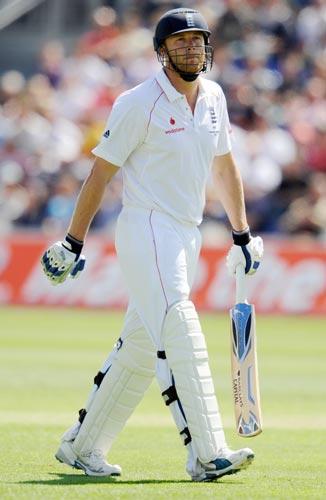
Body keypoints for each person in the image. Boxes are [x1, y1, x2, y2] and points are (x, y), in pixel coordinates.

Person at [41, 8, 263, 482]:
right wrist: (72, 242)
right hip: (146, 228)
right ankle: (206, 452)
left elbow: (224, 167)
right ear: (162, 52)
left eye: (197, 41)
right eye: (180, 42)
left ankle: (82, 447)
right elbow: (101, 172)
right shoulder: (137, 102)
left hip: (186, 233)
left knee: (141, 348)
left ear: (209, 47)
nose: (191, 49)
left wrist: (242, 234)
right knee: (180, 325)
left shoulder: (215, 98)